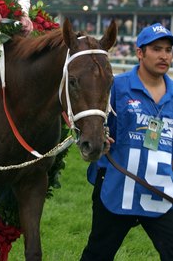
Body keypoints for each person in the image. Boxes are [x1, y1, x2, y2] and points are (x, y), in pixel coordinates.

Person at [80, 23, 173, 261]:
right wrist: (102, 139)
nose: (164, 55)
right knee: (97, 254)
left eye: (168, 50)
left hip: (161, 192)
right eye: (156, 49)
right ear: (140, 53)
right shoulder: (115, 87)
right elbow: (90, 124)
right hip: (116, 189)